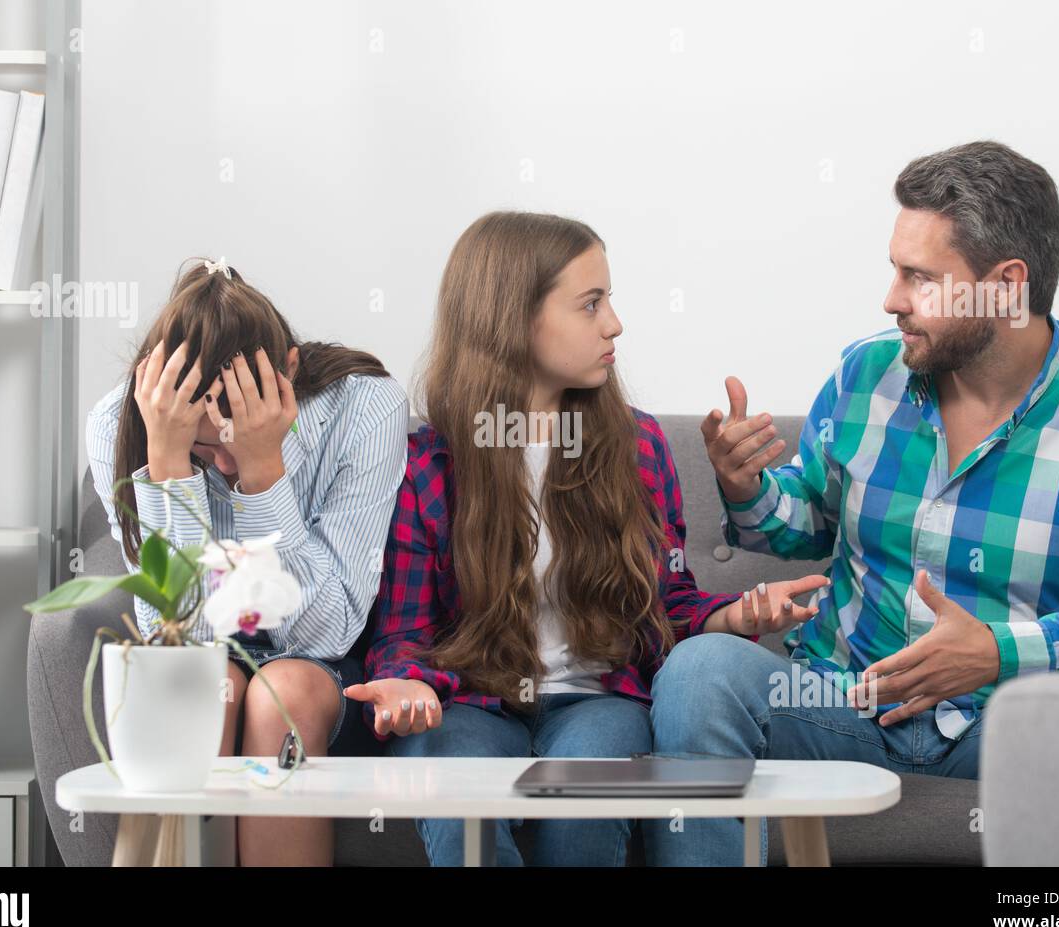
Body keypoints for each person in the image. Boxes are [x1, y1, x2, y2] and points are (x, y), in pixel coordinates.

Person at [650, 141, 1059, 865]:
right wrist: (746, 487)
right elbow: (807, 520)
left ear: (1005, 285)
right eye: (895, 270)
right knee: (699, 671)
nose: (891, 298)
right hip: (842, 704)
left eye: (919, 277)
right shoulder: (869, 372)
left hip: (1011, 725)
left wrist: (996, 654)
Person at [344, 212, 827, 866]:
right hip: (467, 701)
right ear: (514, 319)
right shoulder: (430, 463)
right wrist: (407, 685)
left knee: (588, 804)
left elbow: (666, 602)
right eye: (591, 303)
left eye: (610, 300)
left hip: (596, 698)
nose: (614, 324)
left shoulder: (638, 446)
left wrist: (731, 614)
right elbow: (402, 631)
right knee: (462, 812)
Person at [87, 257, 407, 865]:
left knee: (278, 693)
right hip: (202, 660)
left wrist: (265, 472)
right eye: (209, 448)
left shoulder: (366, 407)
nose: (225, 468)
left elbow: (327, 632)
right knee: (202, 687)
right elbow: (178, 639)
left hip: (324, 668)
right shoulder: (117, 424)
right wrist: (170, 465)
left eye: (239, 440)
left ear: (289, 369)